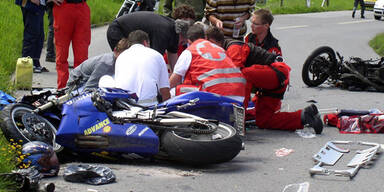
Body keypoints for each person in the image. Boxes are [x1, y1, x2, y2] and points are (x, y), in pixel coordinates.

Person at [206, 26, 323, 134]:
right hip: (271, 80)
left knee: (242, 76)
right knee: (264, 121)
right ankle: (305, 116)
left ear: (214, 42)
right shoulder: (224, 49)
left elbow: (237, 79)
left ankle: (239, 122)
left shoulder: (233, 47)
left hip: (276, 72)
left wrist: (237, 116)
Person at [169, 24, 246, 102]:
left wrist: (161, 91)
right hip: (239, 94)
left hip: (214, 94)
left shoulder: (190, 51)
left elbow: (175, 80)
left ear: (189, 41)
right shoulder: (220, 49)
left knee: (174, 91)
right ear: (205, 37)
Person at [106, 9, 194, 71]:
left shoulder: (175, 32)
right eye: (183, 42)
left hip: (132, 32)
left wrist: (178, 78)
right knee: (126, 62)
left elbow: (173, 60)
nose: (181, 45)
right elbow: (153, 59)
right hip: (118, 30)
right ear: (180, 34)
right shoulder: (164, 32)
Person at [101, 30, 170, 106]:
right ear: (145, 42)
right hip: (149, 105)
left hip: (126, 107)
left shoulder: (121, 57)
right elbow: (165, 91)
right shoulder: (157, 55)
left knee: (105, 78)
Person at [53, 0, 91, 89]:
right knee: (61, 54)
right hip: (63, 8)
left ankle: (79, 89)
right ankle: (62, 89)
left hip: (82, 7)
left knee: (82, 56)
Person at [66, 38, 131, 90]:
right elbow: (89, 88)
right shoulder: (106, 64)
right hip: (76, 85)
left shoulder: (119, 61)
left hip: (88, 82)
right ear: (115, 51)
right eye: (122, 56)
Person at [15, 0, 53, 73]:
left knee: (40, 35)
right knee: (31, 34)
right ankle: (26, 63)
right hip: (30, 4)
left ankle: (35, 62)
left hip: (40, 5)